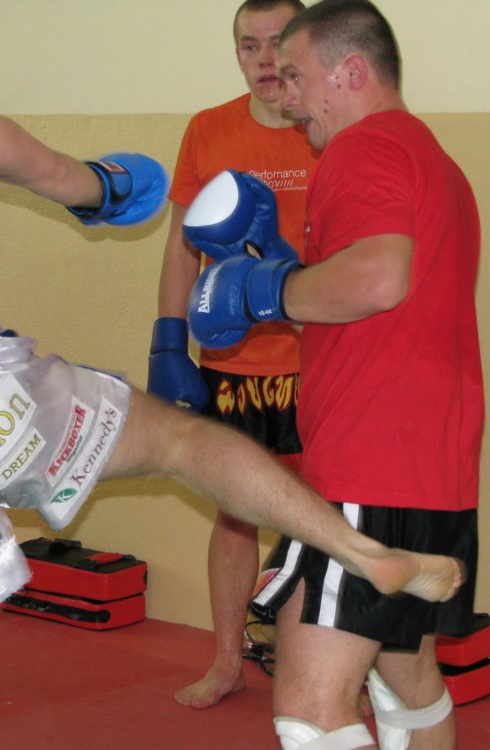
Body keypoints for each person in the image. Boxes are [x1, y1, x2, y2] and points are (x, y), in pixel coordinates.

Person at [0, 2, 467, 749]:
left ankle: (363, 559)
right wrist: (115, 189)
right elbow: (73, 181)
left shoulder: (368, 150)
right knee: (182, 442)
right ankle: (363, 552)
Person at [184, 1, 484, 747]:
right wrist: (287, 273)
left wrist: (266, 293)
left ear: (350, 72)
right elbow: (379, 299)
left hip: (368, 468)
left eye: (296, 76)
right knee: (405, 678)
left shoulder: (362, 149)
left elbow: (379, 279)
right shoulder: (433, 159)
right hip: (432, 469)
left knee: (311, 711)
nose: (285, 96)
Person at [147, 0, 319, 710]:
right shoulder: (209, 129)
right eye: (250, 45)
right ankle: (227, 661)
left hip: (315, 361)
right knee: (233, 513)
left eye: (278, 43)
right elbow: (181, 246)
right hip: (232, 362)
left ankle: (322, 670)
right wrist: (167, 339)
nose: (265, 59)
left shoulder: (327, 129)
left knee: (324, 515)